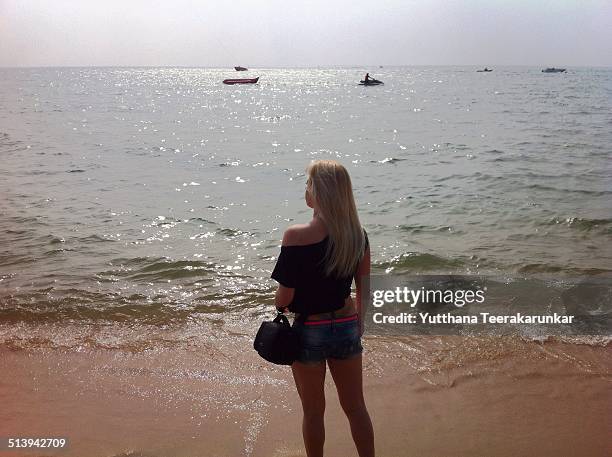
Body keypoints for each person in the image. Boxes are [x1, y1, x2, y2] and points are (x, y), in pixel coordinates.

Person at [271, 160, 375, 457]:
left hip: (308, 330)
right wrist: (360, 322)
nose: (306, 189)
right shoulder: (358, 235)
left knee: (313, 412)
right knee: (356, 408)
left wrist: (278, 303)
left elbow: (284, 298)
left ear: (317, 192)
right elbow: (364, 288)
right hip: (345, 325)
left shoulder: (295, 236)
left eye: (309, 184)